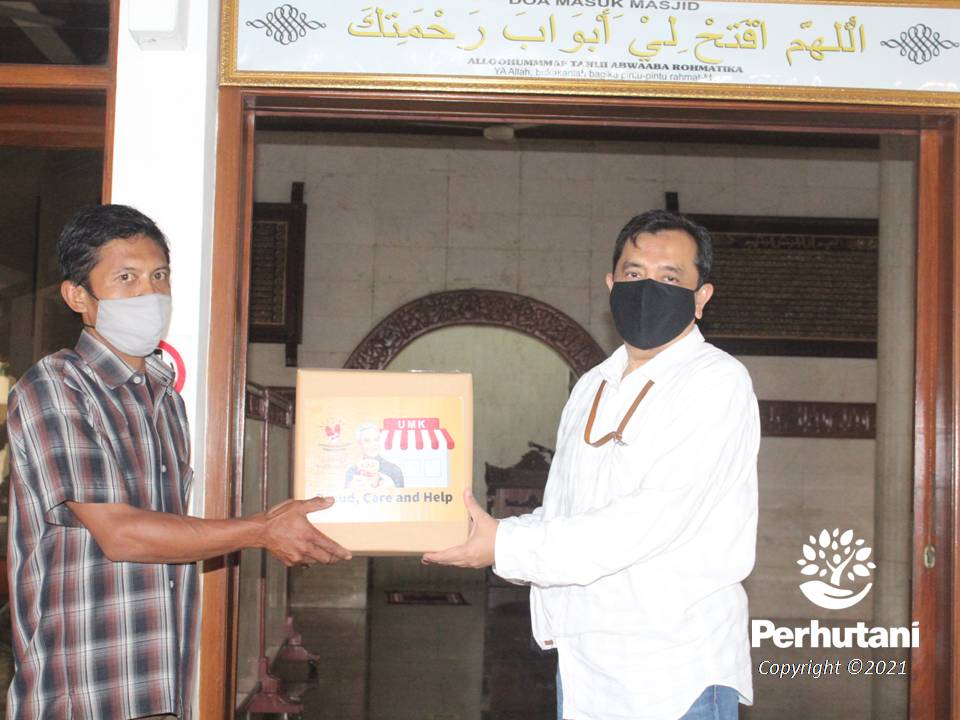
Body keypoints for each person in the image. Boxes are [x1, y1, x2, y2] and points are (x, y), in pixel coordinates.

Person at [5, 204, 352, 720]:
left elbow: (170, 536)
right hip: (83, 690)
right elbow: (122, 534)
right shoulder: (56, 387)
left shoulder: (165, 397)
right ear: (78, 296)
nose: (149, 294)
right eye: (126, 278)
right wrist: (261, 530)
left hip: (160, 686)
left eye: (159, 276)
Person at [424, 209, 760, 720]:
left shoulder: (715, 383)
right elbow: (567, 511)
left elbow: (648, 521)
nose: (648, 289)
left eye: (670, 278)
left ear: (701, 297)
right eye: (634, 274)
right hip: (585, 664)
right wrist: (488, 532)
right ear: (611, 284)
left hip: (673, 671)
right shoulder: (593, 385)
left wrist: (505, 544)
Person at [344, 422, 405, 489]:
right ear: (359, 444)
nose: (373, 444)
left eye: (376, 440)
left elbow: (402, 494)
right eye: (367, 440)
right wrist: (350, 489)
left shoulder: (394, 470)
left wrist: (392, 488)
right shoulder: (351, 472)